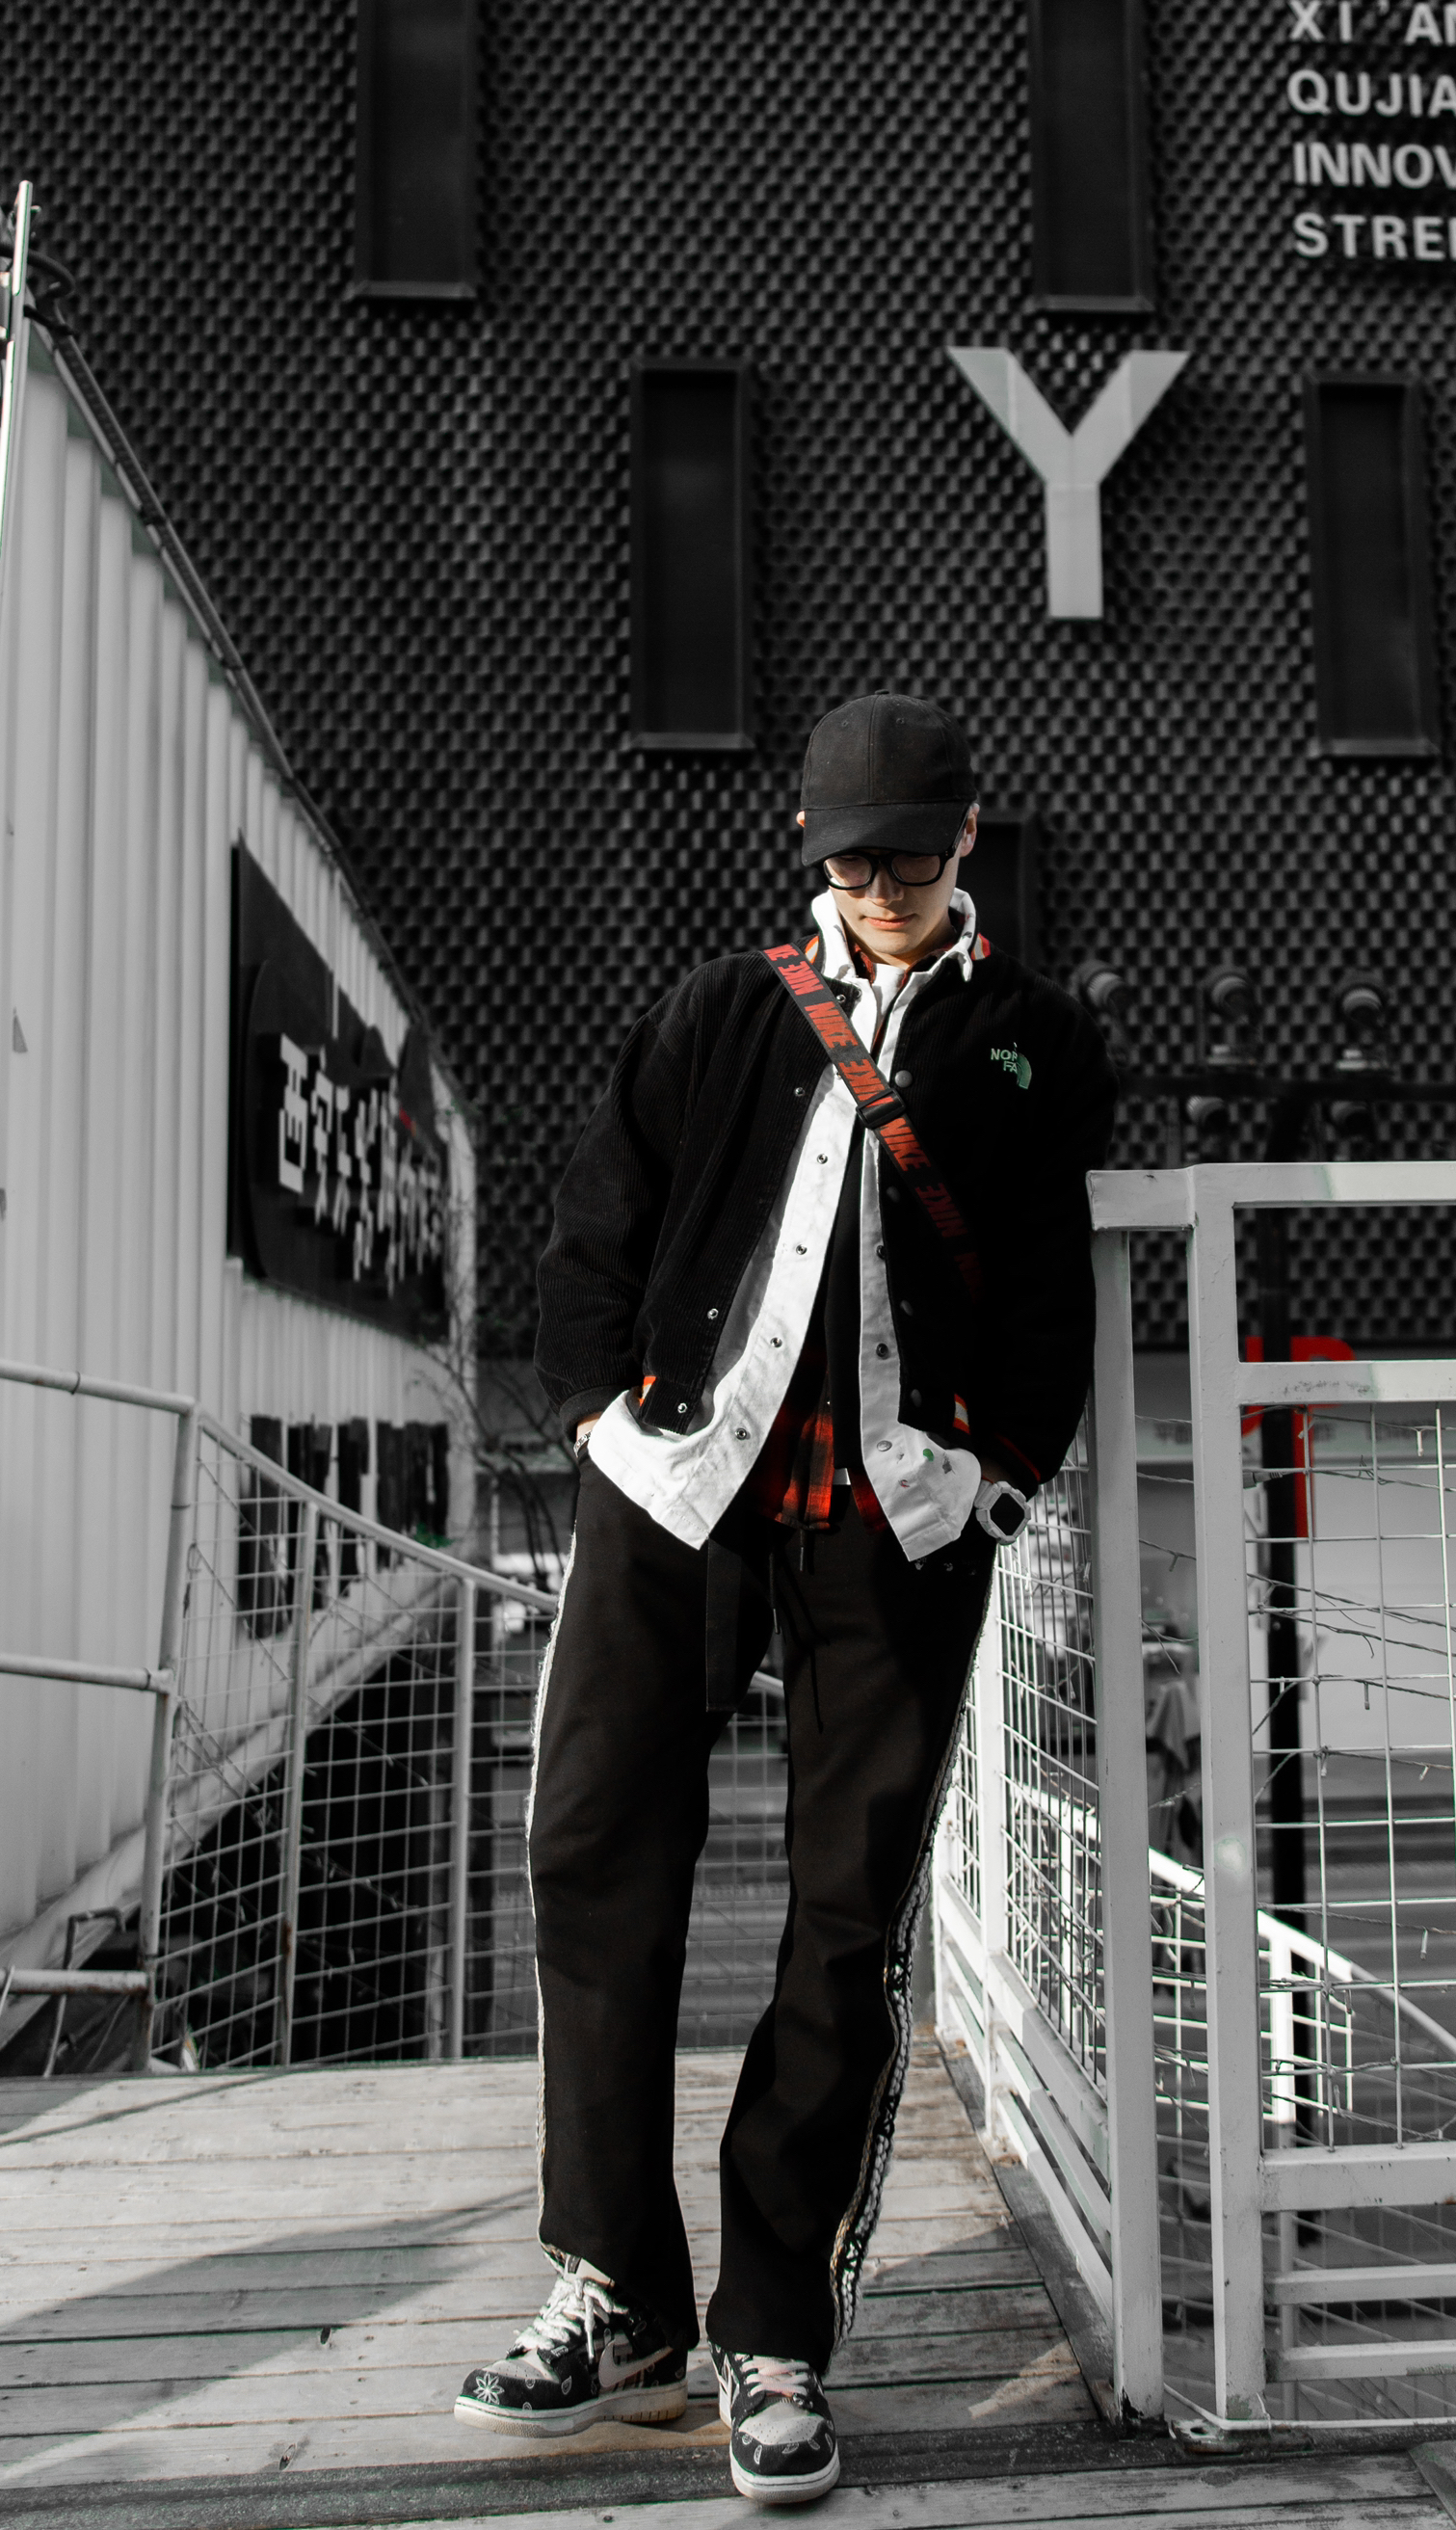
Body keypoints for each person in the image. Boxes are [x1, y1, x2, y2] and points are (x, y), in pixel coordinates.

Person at [455, 692, 1118, 2503]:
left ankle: (774, 2336)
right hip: (680, 1486)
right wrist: (596, 1418)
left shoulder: (1035, 1042)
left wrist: (999, 1474)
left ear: (967, 837)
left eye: (910, 852)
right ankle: (617, 2294)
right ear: (813, 850)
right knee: (595, 1848)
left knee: (844, 1920)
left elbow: (1047, 1280)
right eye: (853, 856)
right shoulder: (720, 1011)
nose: (882, 884)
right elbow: (597, 1223)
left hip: (896, 1521)